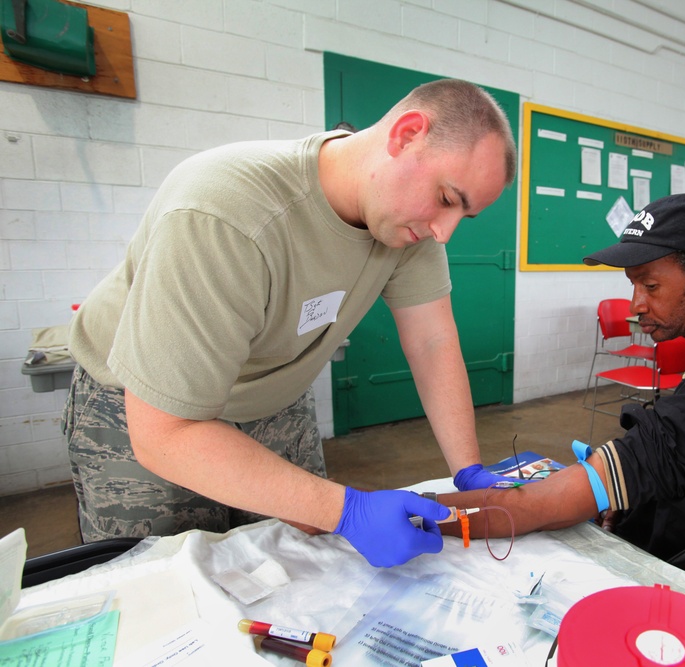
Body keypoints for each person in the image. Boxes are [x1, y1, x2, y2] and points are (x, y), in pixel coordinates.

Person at [64, 79, 519, 567]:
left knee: (303, 568)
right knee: (165, 585)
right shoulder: (224, 211)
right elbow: (165, 432)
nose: (444, 232)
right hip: (143, 406)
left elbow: (432, 341)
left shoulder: (408, 223)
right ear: (406, 135)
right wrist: (347, 509)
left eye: (463, 216)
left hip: (274, 401)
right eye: (448, 198)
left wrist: (468, 470)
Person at [435, 193, 685, 560]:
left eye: (651, 284)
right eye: (633, 284)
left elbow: (524, 508)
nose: (635, 305)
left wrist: (418, 513)